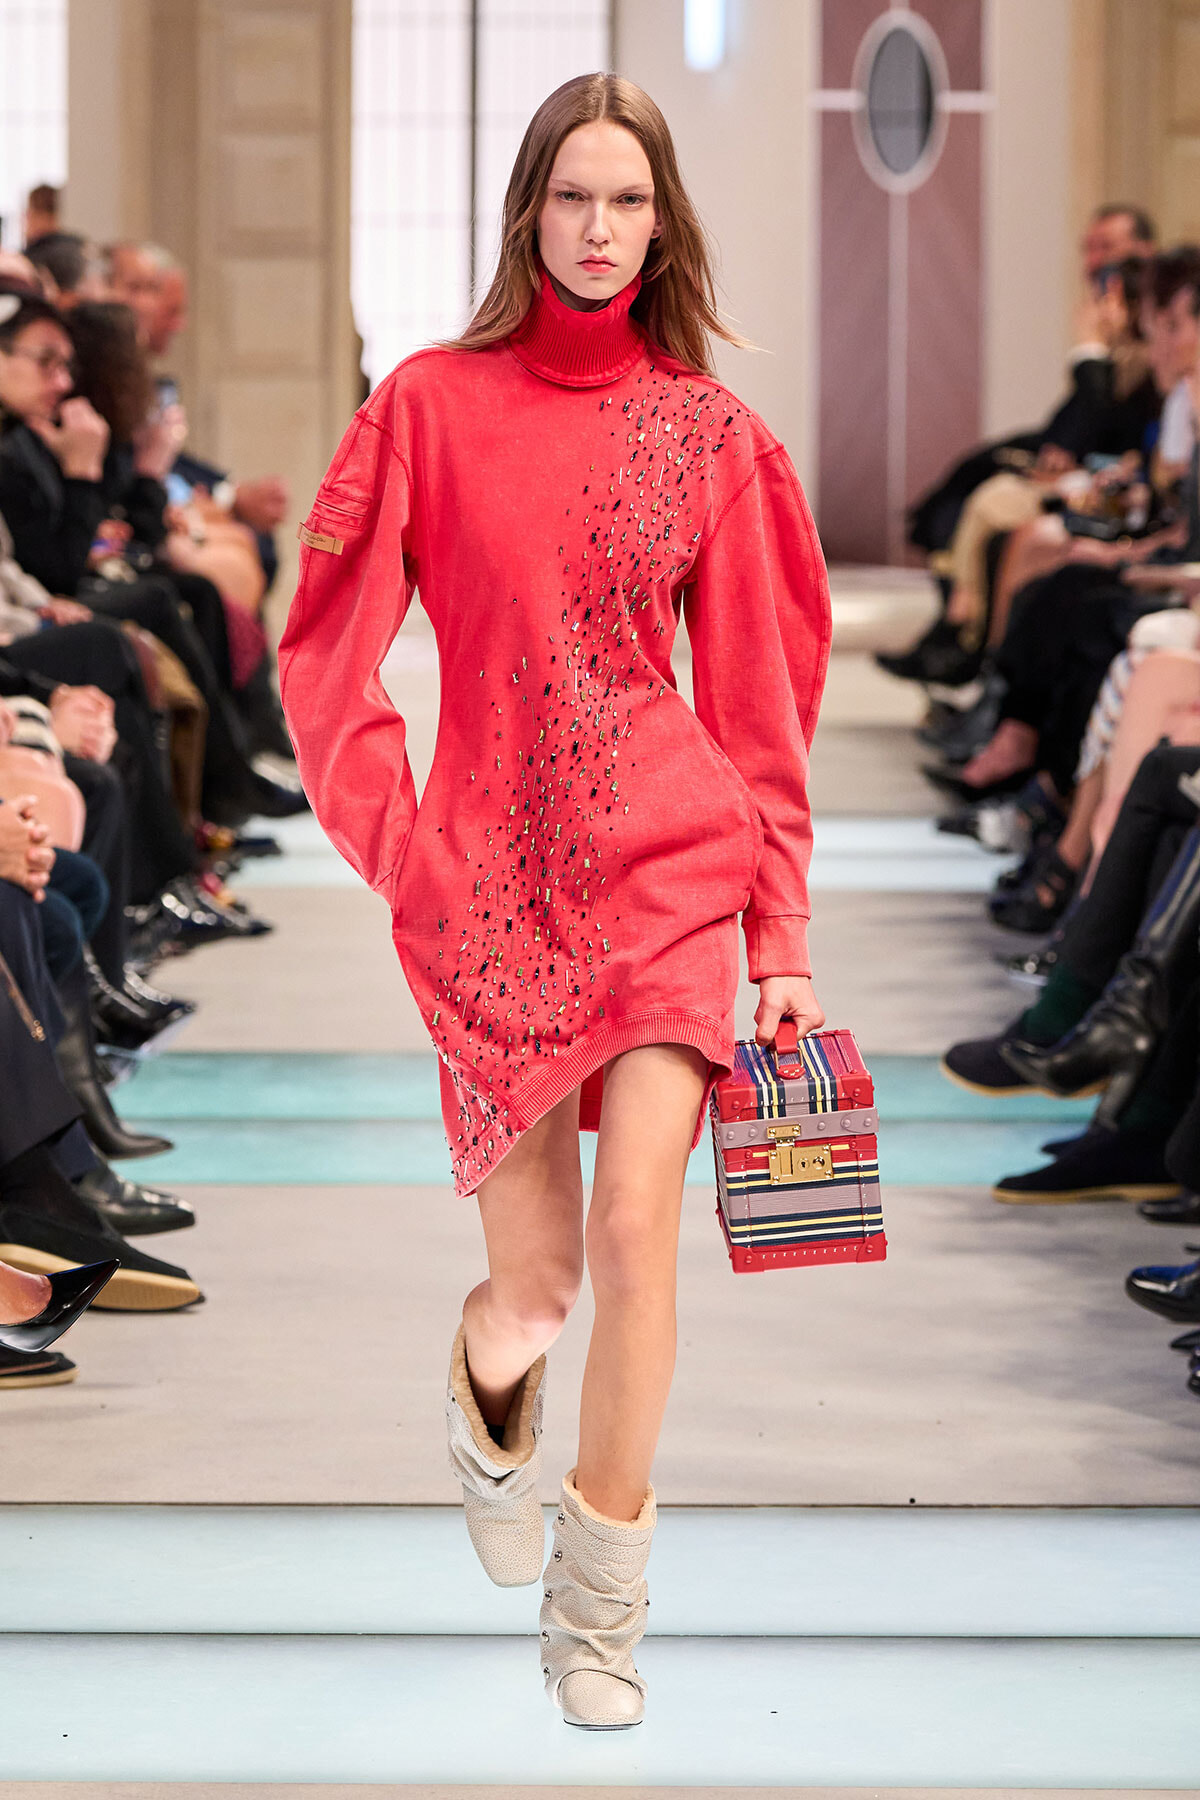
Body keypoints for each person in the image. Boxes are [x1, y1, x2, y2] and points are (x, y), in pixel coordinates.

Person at [280, 73, 831, 1729]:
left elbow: (758, 708)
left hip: (667, 871)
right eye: (574, 198)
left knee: (638, 1226)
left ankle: (600, 1615)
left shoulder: (711, 436)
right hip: (494, 897)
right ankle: (489, 1385)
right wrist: (403, 848)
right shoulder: (426, 408)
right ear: (529, 212)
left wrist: (781, 936)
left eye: (630, 202)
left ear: (664, 225)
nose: (601, 230)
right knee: (537, 1291)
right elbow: (326, 655)